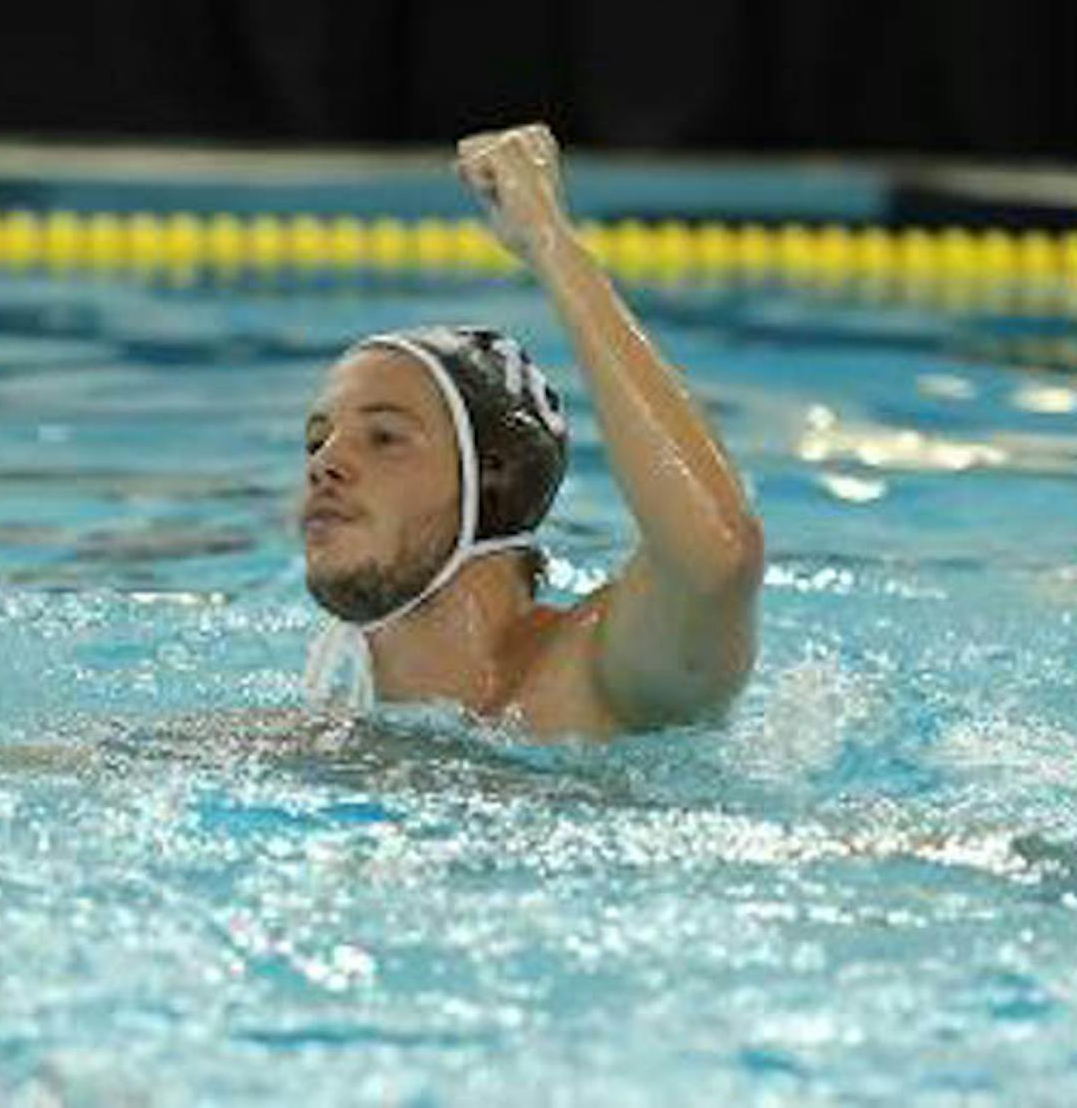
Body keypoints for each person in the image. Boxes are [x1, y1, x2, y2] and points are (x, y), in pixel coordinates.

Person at [301, 124, 764, 739]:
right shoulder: (328, 731)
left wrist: (549, 241)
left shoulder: (597, 682)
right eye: (317, 440)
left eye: (384, 437)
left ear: (493, 476)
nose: (324, 464)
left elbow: (718, 555)